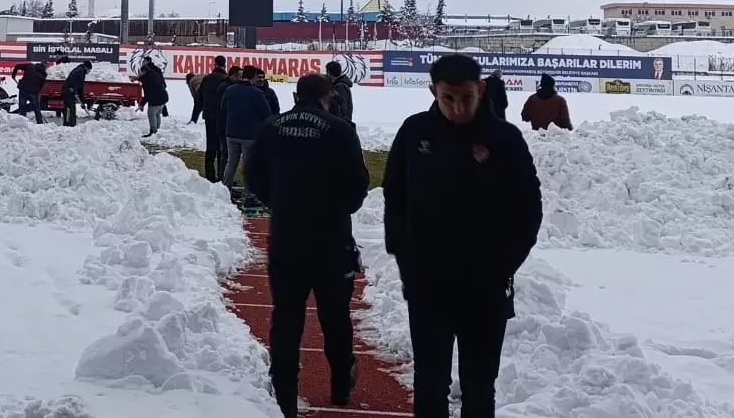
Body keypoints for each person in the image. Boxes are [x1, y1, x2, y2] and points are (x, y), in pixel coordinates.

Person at [383, 53, 543, 418]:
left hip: (484, 288)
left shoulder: (504, 139)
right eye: (447, 99)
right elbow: (395, 196)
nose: (457, 108)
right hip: (428, 285)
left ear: (481, 89)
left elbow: (528, 210)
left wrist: (502, 265)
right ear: (433, 92)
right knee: (429, 382)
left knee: (479, 386)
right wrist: (405, 257)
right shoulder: (415, 132)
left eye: (466, 98)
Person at [243, 73, 370, 418]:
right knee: (335, 316)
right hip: (331, 239)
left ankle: (285, 393)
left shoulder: (273, 127)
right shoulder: (341, 129)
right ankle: (341, 382)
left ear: (297, 95)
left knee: (286, 317)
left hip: (287, 237)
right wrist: (336, 208)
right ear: (328, 97)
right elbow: (359, 185)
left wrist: (280, 202)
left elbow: (252, 175)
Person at [220, 66, 273, 199]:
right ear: (253, 77)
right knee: (248, 165)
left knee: (231, 162)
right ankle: (249, 195)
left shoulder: (229, 89)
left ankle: (225, 189)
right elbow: (266, 113)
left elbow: (222, 108)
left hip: (231, 132)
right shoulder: (256, 93)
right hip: (250, 134)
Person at [194, 57, 232, 181]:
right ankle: (222, 176)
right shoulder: (226, 80)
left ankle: (210, 175)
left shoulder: (206, 79)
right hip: (223, 117)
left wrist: (195, 114)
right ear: (224, 65)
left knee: (211, 146)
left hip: (209, 116)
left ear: (214, 64)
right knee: (223, 147)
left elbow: (199, 98)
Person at [139, 59, 169, 138]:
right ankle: (157, 130)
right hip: (163, 97)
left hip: (156, 99)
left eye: (141, 73)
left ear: (144, 72)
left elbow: (147, 95)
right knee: (157, 114)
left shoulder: (147, 81)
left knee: (151, 114)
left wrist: (141, 104)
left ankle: (153, 131)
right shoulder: (154, 73)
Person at [61, 60, 92, 127]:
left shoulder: (82, 72)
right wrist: (73, 90)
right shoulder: (79, 71)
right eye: (89, 70)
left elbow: (81, 88)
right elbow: (72, 81)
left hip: (71, 93)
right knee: (69, 110)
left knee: (72, 110)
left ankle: (72, 125)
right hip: (67, 92)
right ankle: (67, 125)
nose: (89, 72)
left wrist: (82, 101)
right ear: (86, 67)